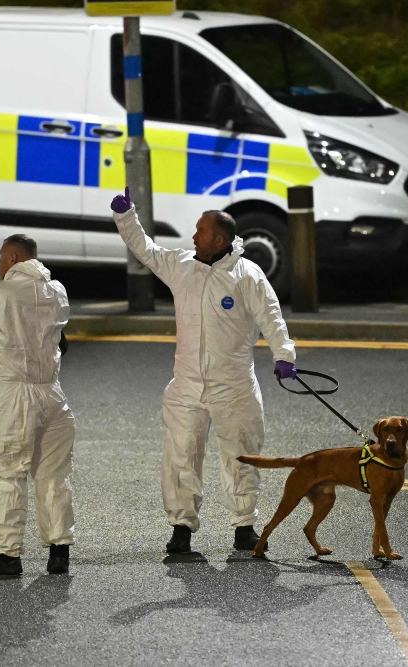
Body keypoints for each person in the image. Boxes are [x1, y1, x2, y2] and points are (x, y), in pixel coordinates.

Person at [110, 188, 298, 553]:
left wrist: (284, 354)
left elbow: (271, 317)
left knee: (240, 455)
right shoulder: (182, 265)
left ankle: (244, 527)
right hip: (187, 386)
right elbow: (145, 250)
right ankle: (181, 528)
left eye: (200, 231)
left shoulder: (247, 275)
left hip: (234, 385)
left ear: (219, 239)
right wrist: (125, 216)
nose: (193, 236)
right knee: (181, 456)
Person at [0, 234, 76, 575]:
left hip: (11, 397)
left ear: (11, 259)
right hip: (52, 395)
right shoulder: (57, 291)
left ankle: (8, 555)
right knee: (54, 475)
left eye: (0, 259)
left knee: (8, 473)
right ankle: (59, 552)